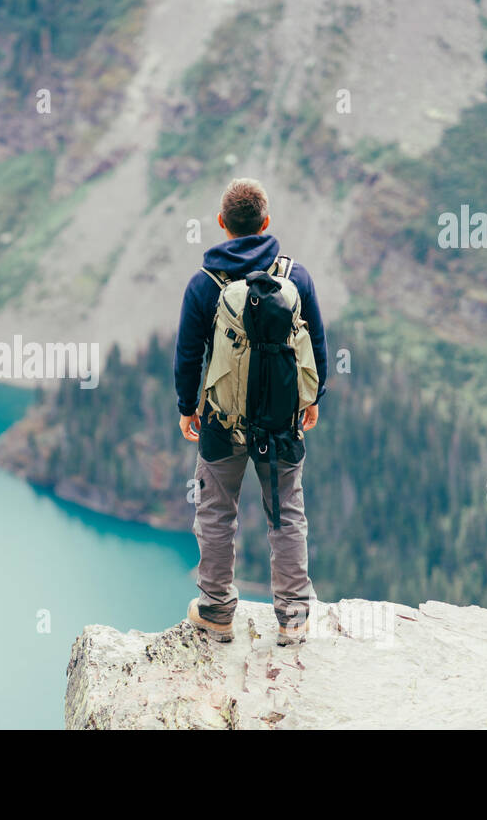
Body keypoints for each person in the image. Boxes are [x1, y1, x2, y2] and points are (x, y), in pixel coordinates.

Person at [173, 178, 328, 646]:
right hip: (282, 424)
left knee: (217, 512)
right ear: (266, 223)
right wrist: (312, 400)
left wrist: (187, 407)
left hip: (221, 422)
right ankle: (294, 616)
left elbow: (187, 354)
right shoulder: (295, 277)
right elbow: (317, 343)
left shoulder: (204, 285)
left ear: (222, 224)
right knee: (286, 514)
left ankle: (217, 611)